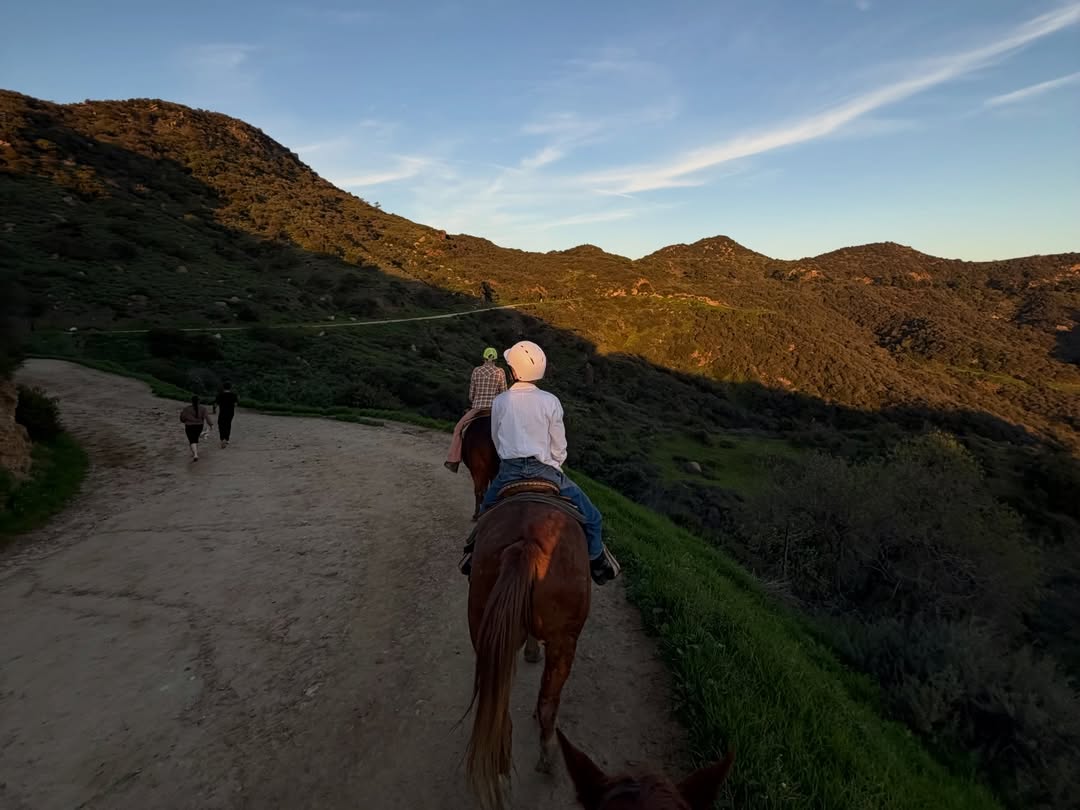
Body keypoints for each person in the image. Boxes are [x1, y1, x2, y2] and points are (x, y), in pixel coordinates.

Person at [459, 340, 618, 586]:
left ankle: (471, 555)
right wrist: (554, 464)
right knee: (593, 517)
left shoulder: (501, 402)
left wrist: (509, 460)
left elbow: (497, 439)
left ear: (512, 371)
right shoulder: (550, 401)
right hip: (546, 470)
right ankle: (597, 561)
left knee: (485, 513)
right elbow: (559, 445)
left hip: (509, 471)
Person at [444, 347, 508, 473]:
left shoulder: (476, 371)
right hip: (495, 410)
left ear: (484, 358)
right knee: (512, 431)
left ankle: (454, 460)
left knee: (458, 429)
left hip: (477, 409)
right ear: (495, 359)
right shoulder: (500, 372)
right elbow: (504, 394)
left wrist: (476, 399)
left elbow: (471, 395)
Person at [179, 395, 213, 462]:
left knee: (192, 440)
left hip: (189, 426)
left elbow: (182, 418)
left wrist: (185, 420)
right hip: (199, 426)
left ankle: (195, 454)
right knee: (195, 439)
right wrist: (211, 424)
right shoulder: (203, 408)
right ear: (199, 401)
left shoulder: (187, 409)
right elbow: (207, 417)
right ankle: (195, 453)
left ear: (191, 401)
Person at [213, 381, 239, 449]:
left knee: (221, 424)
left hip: (222, 412)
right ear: (230, 387)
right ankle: (226, 439)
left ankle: (222, 438)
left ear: (223, 387)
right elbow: (235, 404)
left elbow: (215, 404)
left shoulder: (220, 394)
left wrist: (214, 410)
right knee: (228, 424)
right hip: (230, 413)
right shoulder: (234, 395)